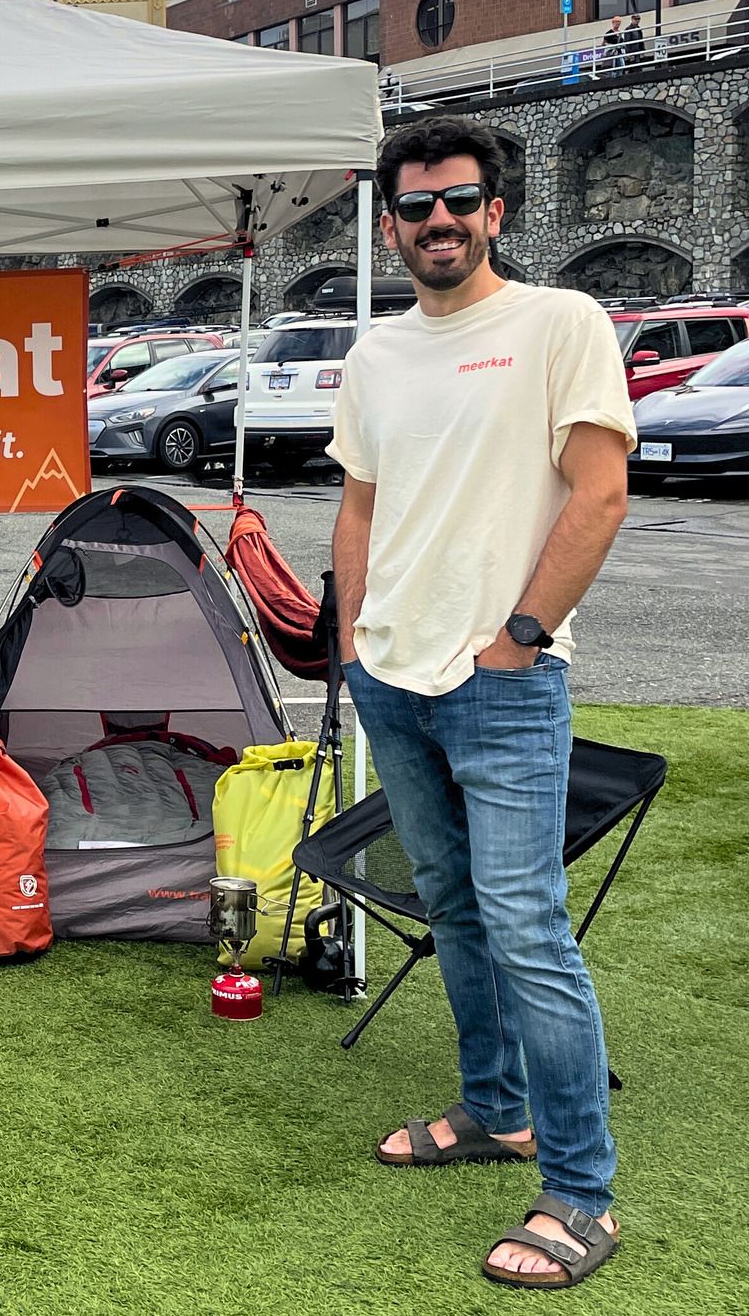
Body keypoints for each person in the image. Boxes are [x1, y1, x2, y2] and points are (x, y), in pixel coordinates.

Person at [328, 118, 634, 1290]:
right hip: (392, 679)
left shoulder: (560, 322)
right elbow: (361, 505)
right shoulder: (376, 354)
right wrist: (353, 641)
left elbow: (599, 495)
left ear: (495, 212)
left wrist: (520, 639)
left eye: (459, 200)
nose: (439, 221)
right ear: (391, 225)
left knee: (526, 926)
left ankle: (581, 1192)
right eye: (416, 207)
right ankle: (494, 1108)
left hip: (502, 683)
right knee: (453, 905)